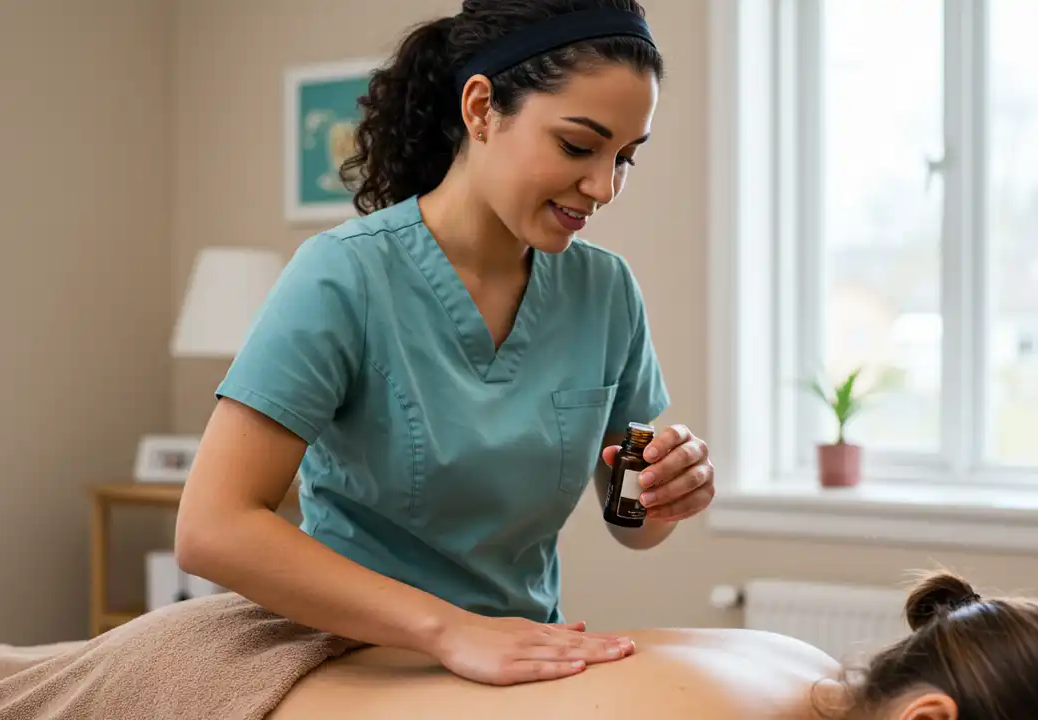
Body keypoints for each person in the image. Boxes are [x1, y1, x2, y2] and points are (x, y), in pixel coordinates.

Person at [174, 0, 716, 688]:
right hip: (352, 658)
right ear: (482, 108)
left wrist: (668, 490)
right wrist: (450, 630)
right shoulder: (344, 274)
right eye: (579, 146)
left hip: (519, 658)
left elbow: (629, 518)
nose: (603, 187)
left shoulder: (605, 292)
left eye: (626, 157)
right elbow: (211, 527)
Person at [265, 571, 1038, 720]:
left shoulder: (801, 663)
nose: (602, 184)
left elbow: (627, 495)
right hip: (240, 683)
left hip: (352, 644)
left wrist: (650, 493)